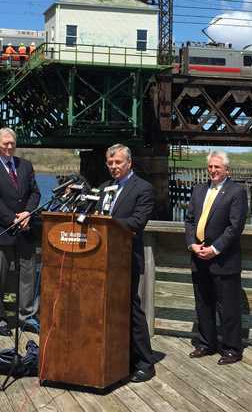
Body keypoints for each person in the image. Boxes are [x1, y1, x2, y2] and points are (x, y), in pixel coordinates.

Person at [97, 143, 156, 383]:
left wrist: (108, 224)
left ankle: (145, 362)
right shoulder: (103, 188)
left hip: (125, 259)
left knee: (130, 309)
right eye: (110, 163)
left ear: (129, 163)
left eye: (118, 162)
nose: (113, 167)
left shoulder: (143, 188)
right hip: (99, 261)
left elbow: (137, 221)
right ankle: (117, 356)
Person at [185, 151, 248, 365]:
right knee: (203, 303)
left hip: (223, 259)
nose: (212, 171)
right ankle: (206, 343)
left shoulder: (236, 191)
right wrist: (192, 243)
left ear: (227, 170)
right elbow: (189, 220)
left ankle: (231, 349)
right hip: (199, 256)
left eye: (217, 167)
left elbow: (235, 226)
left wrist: (215, 248)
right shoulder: (199, 190)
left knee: (228, 307)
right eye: (210, 167)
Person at [0, 127, 41, 336]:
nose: (9, 146)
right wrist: (12, 219)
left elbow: (35, 192)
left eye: (12, 143)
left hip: (26, 229)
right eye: (5, 143)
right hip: (1, 230)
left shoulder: (25, 165)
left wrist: (27, 213)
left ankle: (26, 317)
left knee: (28, 276)